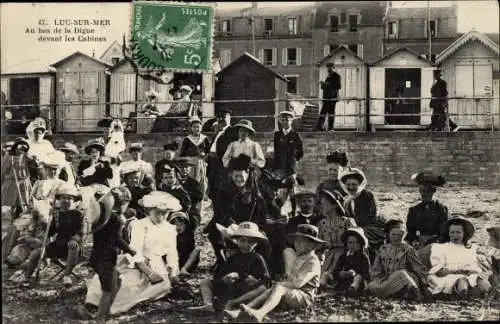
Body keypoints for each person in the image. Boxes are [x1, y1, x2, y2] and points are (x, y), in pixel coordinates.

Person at [76, 190, 182, 317]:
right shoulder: (140, 225)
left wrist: (173, 271)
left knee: (156, 286)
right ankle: (93, 305)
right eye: (159, 212)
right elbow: (134, 250)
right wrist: (148, 272)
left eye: (166, 213)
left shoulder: (170, 229)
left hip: (157, 264)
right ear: (149, 210)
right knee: (119, 282)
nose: (162, 216)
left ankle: (109, 309)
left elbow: (172, 253)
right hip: (136, 262)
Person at [228, 224, 324, 323]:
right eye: (296, 241)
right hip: (294, 292)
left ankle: (260, 313)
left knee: (279, 287)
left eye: (301, 241)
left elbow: (297, 283)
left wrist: (280, 284)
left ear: (311, 245)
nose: (296, 244)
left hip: (305, 297)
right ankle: (241, 311)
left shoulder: (312, 261)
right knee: (273, 288)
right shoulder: (300, 257)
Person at [10, 184, 84, 286]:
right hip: (58, 245)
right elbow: (51, 232)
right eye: (63, 198)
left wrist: (75, 239)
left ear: (73, 200)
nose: (66, 200)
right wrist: (49, 221)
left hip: (74, 246)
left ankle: (67, 275)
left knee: (72, 244)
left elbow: (82, 231)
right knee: (36, 253)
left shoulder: (78, 214)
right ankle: (28, 277)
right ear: (59, 200)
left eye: (69, 198)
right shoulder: (56, 214)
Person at [189, 222, 271, 314]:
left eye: (250, 242)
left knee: (263, 289)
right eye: (242, 241)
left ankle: (233, 303)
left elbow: (265, 279)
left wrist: (249, 278)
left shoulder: (257, 258)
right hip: (231, 287)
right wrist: (224, 278)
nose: (246, 244)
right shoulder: (233, 257)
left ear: (255, 243)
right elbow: (220, 273)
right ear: (237, 241)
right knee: (206, 282)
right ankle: (208, 304)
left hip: (246, 290)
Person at [367, 220, 431, 301]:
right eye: (393, 235)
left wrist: (424, 285)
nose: (396, 238)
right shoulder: (382, 249)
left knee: (401, 273)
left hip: (407, 280)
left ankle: (415, 292)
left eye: (400, 235)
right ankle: (394, 293)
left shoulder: (408, 249)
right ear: (388, 234)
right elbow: (376, 269)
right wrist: (376, 279)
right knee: (371, 285)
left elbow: (418, 267)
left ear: (404, 235)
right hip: (389, 280)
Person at [428, 216, 492, 297]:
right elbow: (439, 271)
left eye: (458, 232)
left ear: (464, 233)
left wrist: (472, 271)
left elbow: (475, 267)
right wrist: (457, 271)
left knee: (479, 279)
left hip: (468, 275)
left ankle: (493, 293)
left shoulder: (471, 248)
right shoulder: (440, 248)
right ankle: (462, 294)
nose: (455, 235)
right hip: (448, 276)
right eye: (452, 232)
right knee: (461, 280)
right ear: (448, 233)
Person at [339, 167, 386, 262]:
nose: (351, 187)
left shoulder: (367, 195)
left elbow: (370, 215)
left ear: (360, 184)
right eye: (348, 185)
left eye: (354, 184)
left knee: (357, 237)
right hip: (355, 228)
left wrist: (355, 226)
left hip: (370, 228)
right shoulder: (346, 201)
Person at [406, 171, 449, 267]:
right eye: (422, 191)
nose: (425, 194)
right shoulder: (414, 210)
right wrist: (414, 240)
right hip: (419, 243)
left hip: (437, 243)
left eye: (428, 192)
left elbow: (444, 232)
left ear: (434, 191)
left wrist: (431, 242)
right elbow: (410, 231)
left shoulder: (441, 209)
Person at [316, 189, 357, 287]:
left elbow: (357, 243)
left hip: (345, 257)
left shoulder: (347, 222)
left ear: (334, 205)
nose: (321, 206)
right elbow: (319, 247)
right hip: (329, 259)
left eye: (324, 204)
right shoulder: (322, 224)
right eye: (321, 204)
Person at [272, 110, 304, 218]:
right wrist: (276, 167)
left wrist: (293, 161)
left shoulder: (295, 135)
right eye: (283, 120)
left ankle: (294, 213)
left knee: (292, 191)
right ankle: (278, 212)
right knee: (280, 191)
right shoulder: (277, 135)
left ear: (291, 121)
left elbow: (300, 153)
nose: (285, 122)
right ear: (280, 121)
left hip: (291, 168)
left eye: (288, 120)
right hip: (280, 169)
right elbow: (276, 152)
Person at [207, 109, 238, 202]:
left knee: (224, 191)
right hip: (213, 165)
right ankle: (217, 214)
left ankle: (225, 215)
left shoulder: (233, 132)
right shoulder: (218, 132)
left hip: (223, 166)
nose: (221, 119)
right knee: (214, 191)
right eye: (219, 118)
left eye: (224, 117)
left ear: (229, 118)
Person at [329, 227, 371, 296]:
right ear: (346, 244)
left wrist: (355, 273)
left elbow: (367, 274)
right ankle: (323, 285)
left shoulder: (363, 257)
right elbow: (336, 270)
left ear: (361, 244)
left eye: (356, 243)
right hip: (345, 280)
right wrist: (341, 273)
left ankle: (353, 288)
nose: (352, 245)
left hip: (358, 281)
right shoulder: (343, 256)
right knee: (328, 273)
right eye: (350, 243)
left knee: (358, 277)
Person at [179, 116, 211, 197]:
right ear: (191, 128)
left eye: (198, 127)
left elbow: (209, 151)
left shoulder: (204, 138)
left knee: (202, 181)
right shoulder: (187, 139)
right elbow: (183, 153)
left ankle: (201, 197)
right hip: (190, 162)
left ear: (201, 128)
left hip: (201, 162)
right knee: (191, 180)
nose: (196, 129)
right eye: (194, 127)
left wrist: (205, 157)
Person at [168, 211, 200, 275]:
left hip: (186, 261)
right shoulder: (170, 235)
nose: (178, 227)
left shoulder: (189, 234)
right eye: (175, 224)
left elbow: (189, 250)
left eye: (181, 224)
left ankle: (184, 269)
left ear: (186, 225)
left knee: (196, 250)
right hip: (174, 260)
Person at [175, 157, 203, 228]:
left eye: (186, 167)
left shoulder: (194, 183)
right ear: (178, 168)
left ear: (190, 169)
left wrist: (185, 194)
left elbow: (199, 196)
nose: (184, 169)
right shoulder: (174, 181)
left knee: (193, 222)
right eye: (181, 167)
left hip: (190, 209)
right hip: (175, 208)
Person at [316, 62, 341, 132]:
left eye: (330, 67)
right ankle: (320, 127)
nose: (328, 69)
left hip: (332, 98)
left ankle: (330, 128)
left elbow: (338, 86)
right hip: (326, 97)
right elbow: (324, 88)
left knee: (330, 113)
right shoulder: (328, 76)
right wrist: (322, 84)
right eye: (327, 67)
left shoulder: (336, 76)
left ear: (333, 68)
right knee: (324, 112)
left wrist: (326, 84)